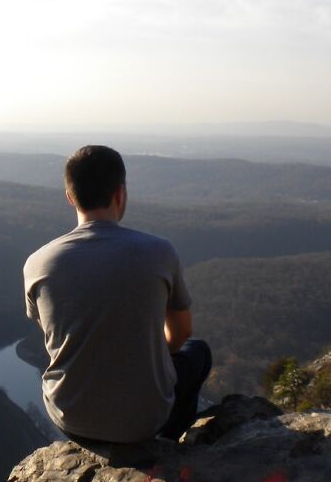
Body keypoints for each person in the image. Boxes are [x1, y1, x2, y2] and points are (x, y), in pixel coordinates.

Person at [23, 145, 212, 443]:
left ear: (70, 197)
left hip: (71, 419)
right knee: (198, 352)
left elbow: (52, 336)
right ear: (120, 193)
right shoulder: (159, 252)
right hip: (145, 423)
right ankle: (173, 444)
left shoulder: (37, 263)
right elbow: (181, 332)